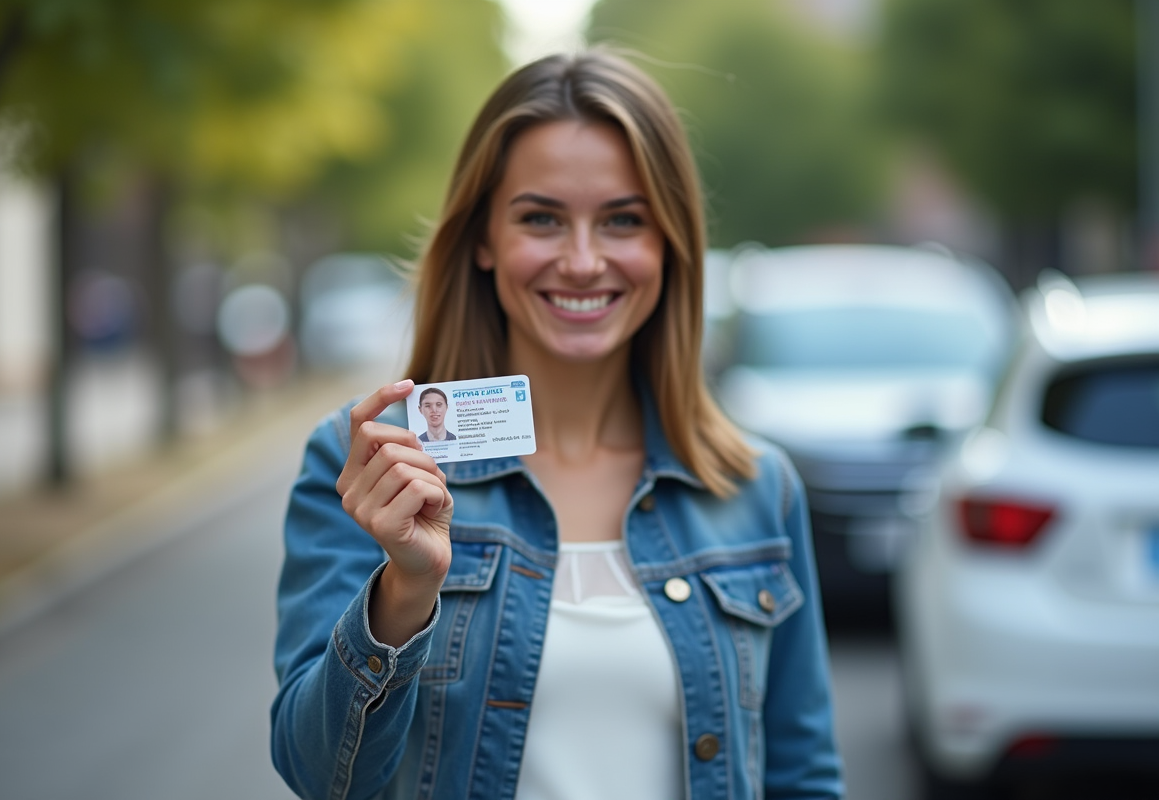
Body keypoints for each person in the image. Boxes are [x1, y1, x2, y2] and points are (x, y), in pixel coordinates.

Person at [272, 49, 844, 800]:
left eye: (623, 220)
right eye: (541, 218)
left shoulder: (755, 487)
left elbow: (802, 776)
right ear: (482, 240)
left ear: (669, 243)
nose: (581, 260)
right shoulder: (370, 465)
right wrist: (404, 594)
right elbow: (323, 779)